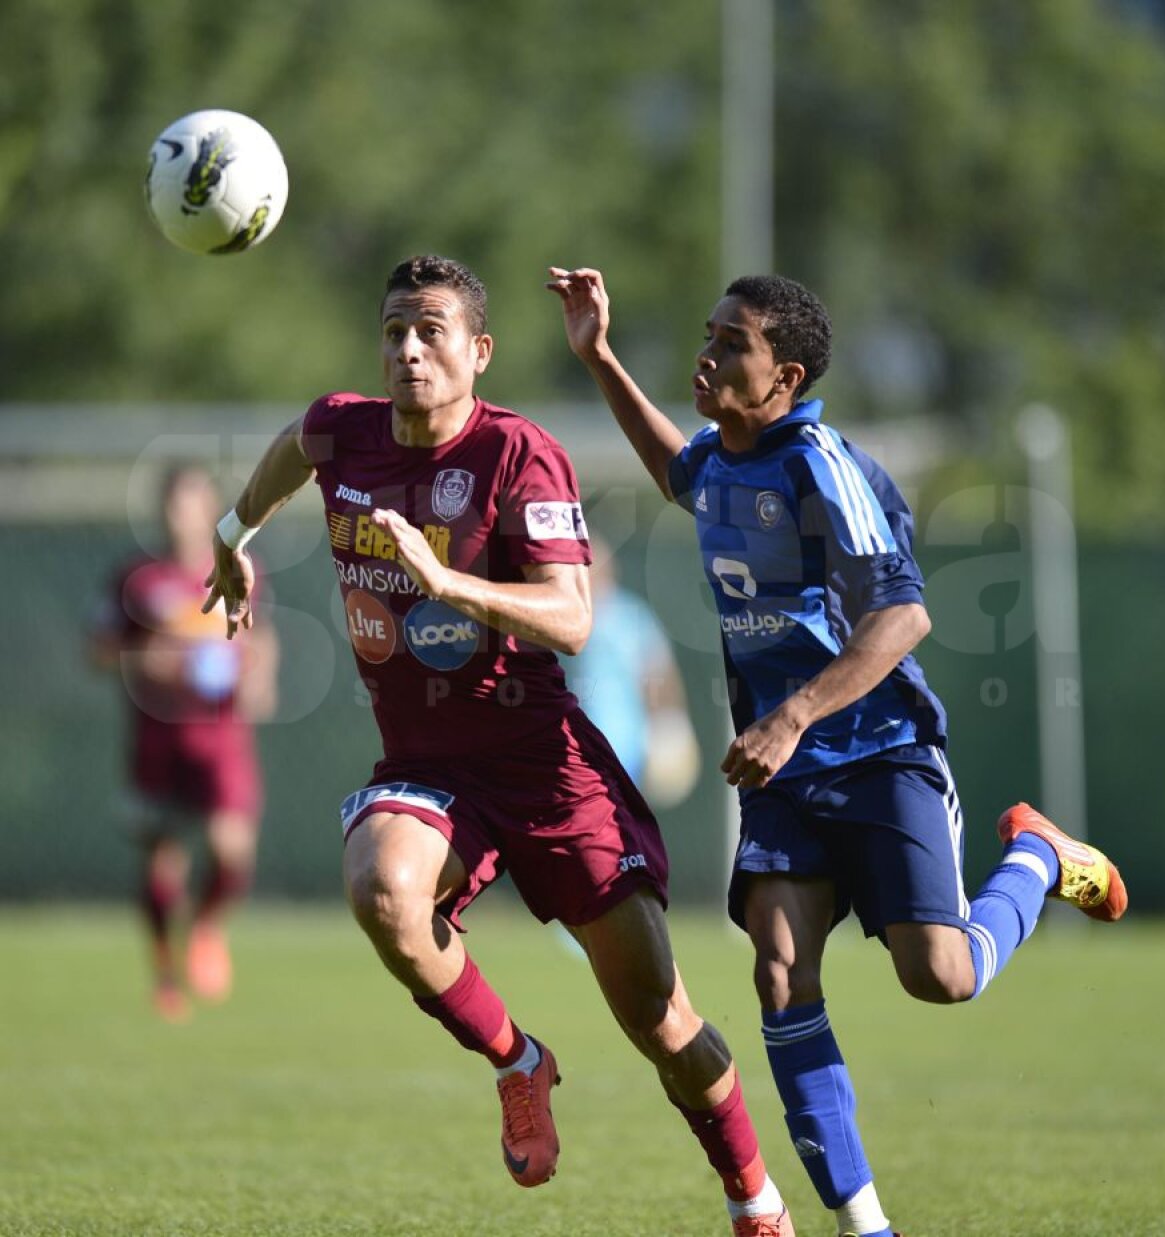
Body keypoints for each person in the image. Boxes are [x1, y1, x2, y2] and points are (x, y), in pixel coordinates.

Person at [202, 255, 796, 1236]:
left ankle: (753, 1193)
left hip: (546, 770)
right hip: (431, 770)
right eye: (395, 329)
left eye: (431, 329)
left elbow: (571, 618)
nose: (408, 348)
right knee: (383, 888)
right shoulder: (343, 429)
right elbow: (294, 448)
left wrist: (446, 580)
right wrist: (233, 532)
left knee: (663, 1022)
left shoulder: (519, 454)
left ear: (478, 351)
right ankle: (520, 1061)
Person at [548, 265, 1128, 1237]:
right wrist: (598, 355)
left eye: (735, 344)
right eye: (711, 333)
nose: (711, 353)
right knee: (777, 972)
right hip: (783, 772)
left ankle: (1037, 856)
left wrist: (791, 716)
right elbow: (673, 468)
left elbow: (904, 615)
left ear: (788, 376)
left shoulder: (817, 461)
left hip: (878, 747)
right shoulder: (722, 458)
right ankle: (868, 1226)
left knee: (939, 976)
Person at [88, 463, 278, 1021]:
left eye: (193, 502)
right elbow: (99, 649)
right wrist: (154, 660)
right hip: (158, 737)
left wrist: (259, 679)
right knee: (162, 857)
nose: (181, 514)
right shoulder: (136, 580)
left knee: (231, 850)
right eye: (173, 502)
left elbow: (260, 638)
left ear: (212, 508)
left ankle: (205, 927)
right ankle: (166, 973)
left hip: (221, 738)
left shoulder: (243, 570)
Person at [560, 532, 700, 807]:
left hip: (623, 743)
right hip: (573, 743)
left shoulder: (629, 614)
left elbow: (659, 675)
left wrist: (668, 725)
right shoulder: (567, 615)